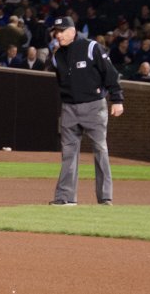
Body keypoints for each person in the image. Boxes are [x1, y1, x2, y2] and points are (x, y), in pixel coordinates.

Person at [48, 16, 124, 207]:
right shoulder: (57, 56)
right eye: (56, 31)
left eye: (61, 31)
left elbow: (110, 73)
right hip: (69, 109)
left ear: (72, 31)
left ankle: (105, 197)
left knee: (100, 149)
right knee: (68, 153)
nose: (58, 35)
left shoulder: (91, 47)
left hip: (94, 106)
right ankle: (65, 198)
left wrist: (117, 99)